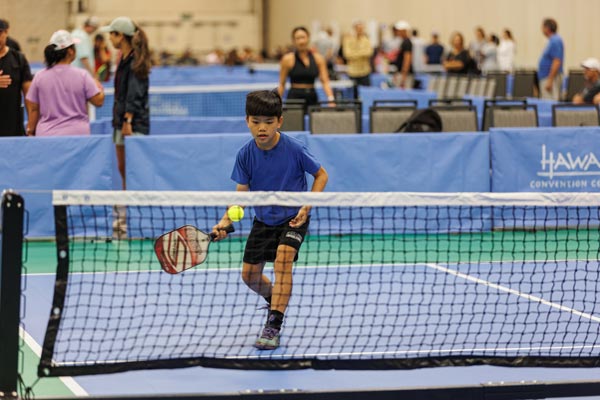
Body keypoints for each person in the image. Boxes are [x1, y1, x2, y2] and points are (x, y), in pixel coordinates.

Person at [212, 90, 328, 350]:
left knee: (283, 262)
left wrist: (307, 206)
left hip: (293, 217)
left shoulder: (295, 148)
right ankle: (274, 299)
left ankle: (273, 325)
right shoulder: (245, 155)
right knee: (249, 276)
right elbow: (240, 196)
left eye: (268, 121)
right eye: (256, 121)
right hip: (263, 219)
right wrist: (224, 222)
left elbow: (321, 175)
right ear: (247, 121)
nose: (262, 128)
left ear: (279, 121)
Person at [100, 16, 151, 190]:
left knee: (132, 170)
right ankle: (126, 209)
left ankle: (133, 210)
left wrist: (128, 120)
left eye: (112, 34)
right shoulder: (123, 59)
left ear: (121, 36)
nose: (109, 38)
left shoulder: (135, 61)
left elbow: (134, 94)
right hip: (121, 122)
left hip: (131, 124)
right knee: (124, 170)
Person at [25, 30, 104, 136]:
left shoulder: (39, 76)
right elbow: (98, 101)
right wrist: (98, 87)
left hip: (46, 137)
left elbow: (34, 108)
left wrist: (30, 131)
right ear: (71, 51)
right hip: (78, 136)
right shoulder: (82, 75)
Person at [277, 27, 335, 111]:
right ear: (293, 41)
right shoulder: (287, 59)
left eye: (303, 37)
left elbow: (325, 81)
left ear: (308, 38)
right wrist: (276, 103)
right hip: (294, 98)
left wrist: (331, 99)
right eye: (298, 38)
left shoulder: (318, 59)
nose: (301, 41)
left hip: (312, 97)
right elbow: (282, 84)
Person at [0, 18, 32, 136]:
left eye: (0, 33)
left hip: (13, 126)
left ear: (6, 33)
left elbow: (29, 94)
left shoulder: (18, 59)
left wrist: (31, 123)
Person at [342, 21, 373, 97]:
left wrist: (355, 53)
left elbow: (369, 53)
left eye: (361, 28)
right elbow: (347, 54)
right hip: (353, 72)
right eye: (358, 28)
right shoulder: (348, 40)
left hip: (365, 71)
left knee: (366, 94)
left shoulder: (366, 40)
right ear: (354, 29)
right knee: (354, 96)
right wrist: (361, 54)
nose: (360, 30)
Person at [538, 18, 564, 100]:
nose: (541, 29)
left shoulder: (555, 41)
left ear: (547, 28)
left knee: (550, 102)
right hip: (546, 76)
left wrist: (550, 80)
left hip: (550, 77)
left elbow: (557, 61)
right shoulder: (552, 40)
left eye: (542, 27)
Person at [391, 21, 413, 89]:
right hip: (401, 73)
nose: (397, 32)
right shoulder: (403, 42)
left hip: (405, 75)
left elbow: (407, 59)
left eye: (399, 31)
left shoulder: (407, 42)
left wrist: (404, 76)